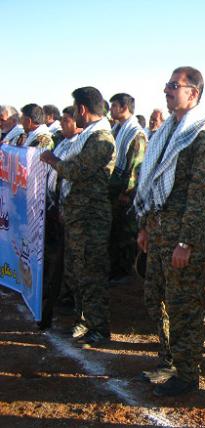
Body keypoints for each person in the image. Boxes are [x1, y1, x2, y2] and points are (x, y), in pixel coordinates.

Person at [134, 66, 205, 397]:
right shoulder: (165, 132)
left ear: (192, 93)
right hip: (158, 231)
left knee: (183, 305)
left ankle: (187, 372)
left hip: (181, 236)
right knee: (155, 298)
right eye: (167, 85)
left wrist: (186, 242)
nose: (167, 91)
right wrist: (145, 227)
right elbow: (152, 182)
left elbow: (201, 195)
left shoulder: (203, 138)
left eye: (174, 85)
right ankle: (168, 360)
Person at [40, 86, 115, 348]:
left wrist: (52, 160)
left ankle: (99, 327)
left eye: (74, 109)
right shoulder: (89, 136)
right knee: (76, 272)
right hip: (78, 214)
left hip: (91, 217)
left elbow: (77, 171)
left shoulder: (101, 138)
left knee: (91, 273)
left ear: (82, 109)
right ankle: (83, 320)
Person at [41, 106, 83, 330]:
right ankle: (57, 291)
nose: (62, 124)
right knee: (57, 253)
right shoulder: (63, 142)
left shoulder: (80, 144)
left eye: (67, 120)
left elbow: (70, 173)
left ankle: (68, 297)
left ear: (78, 123)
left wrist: (53, 160)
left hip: (70, 207)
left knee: (69, 257)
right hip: (55, 202)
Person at [108, 93, 147, 282]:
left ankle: (124, 272)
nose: (111, 109)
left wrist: (126, 193)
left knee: (125, 234)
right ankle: (114, 268)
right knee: (114, 232)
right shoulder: (116, 129)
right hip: (113, 188)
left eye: (114, 106)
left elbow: (136, 167)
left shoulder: (135, 133)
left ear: (124, 108)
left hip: (125, 194)